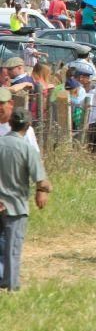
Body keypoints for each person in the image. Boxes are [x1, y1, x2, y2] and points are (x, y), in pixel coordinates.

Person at [0, 109, 50, 291]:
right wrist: (45, 190)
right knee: (13, 248)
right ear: (28, 126)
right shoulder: (27, 149)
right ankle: (11, 287)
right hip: (16, 207)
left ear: (10, 123)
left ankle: (2, 279)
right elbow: (41, 180)